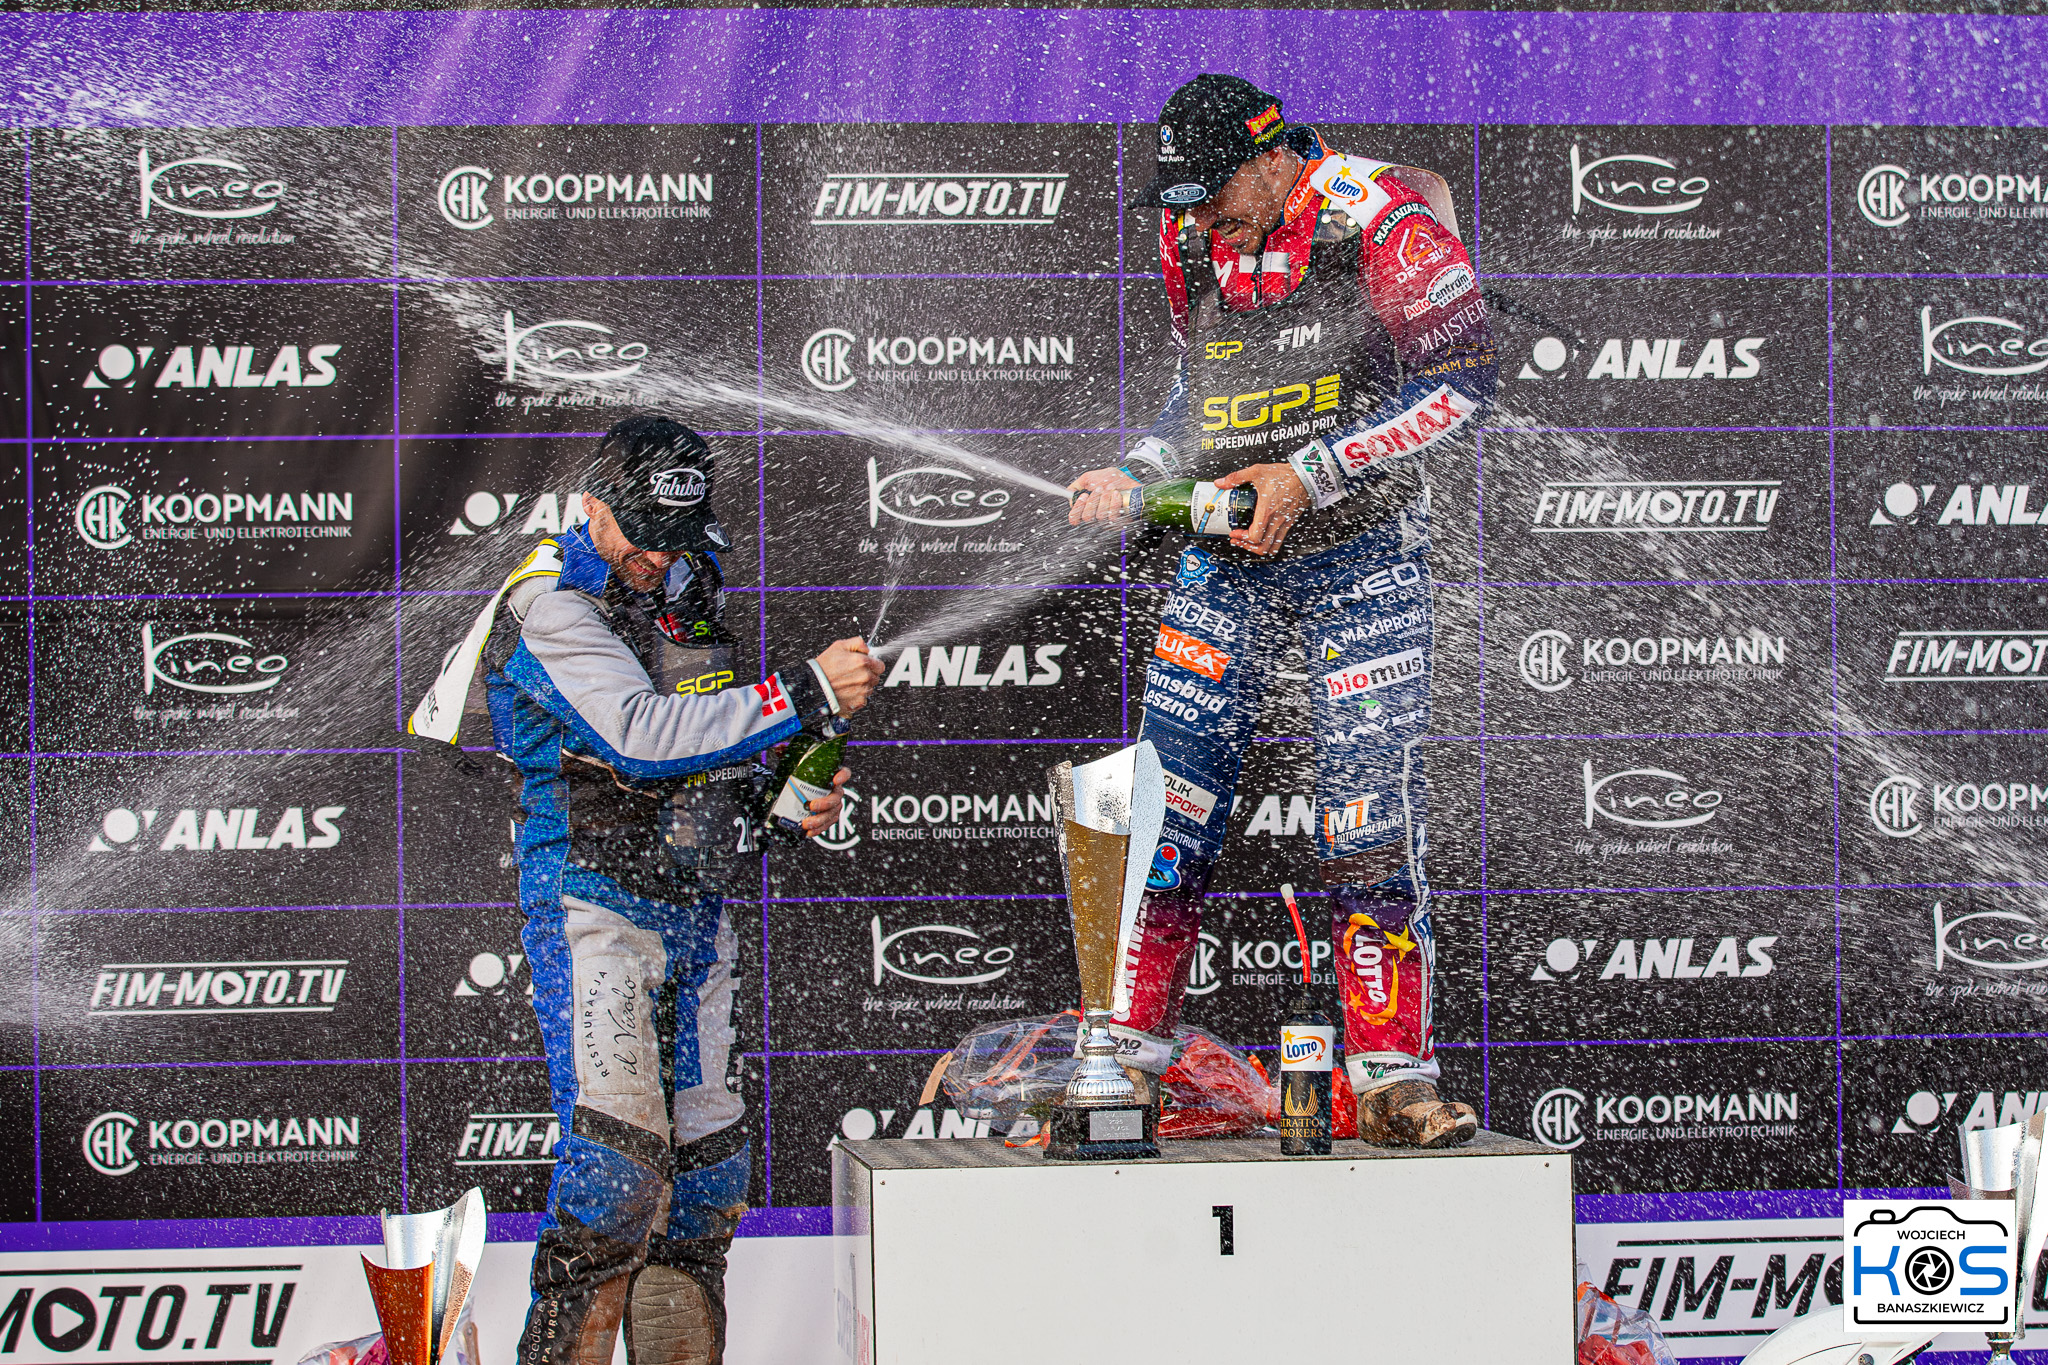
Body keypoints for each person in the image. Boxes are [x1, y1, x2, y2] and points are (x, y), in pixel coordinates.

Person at [1069, 74, 1499, 1148]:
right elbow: (1199, 390)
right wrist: (1140, 467)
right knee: (1166, 810)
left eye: (1213, 195)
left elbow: (1463, 384)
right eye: (1181, 203)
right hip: (1225, 555)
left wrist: (1312, 472)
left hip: (1362, 554)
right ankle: (1125, 1065)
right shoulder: (1191, 233)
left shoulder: (1381, 221)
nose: (1198, 222)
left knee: (1364, 816)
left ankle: (1393, 1078)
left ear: (1273, 158)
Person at [408, 415, 885, 1365]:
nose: (657, 557)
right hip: (594, 903)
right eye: (642, 536)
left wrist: (777, 797)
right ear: (592, 506)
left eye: (676, 536)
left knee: (708, 1176)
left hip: (696, 902)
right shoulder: (547, 601)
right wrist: (806, 693)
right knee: (618, 1163)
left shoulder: (685, 577)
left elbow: (703, 734)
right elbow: (639, 735)